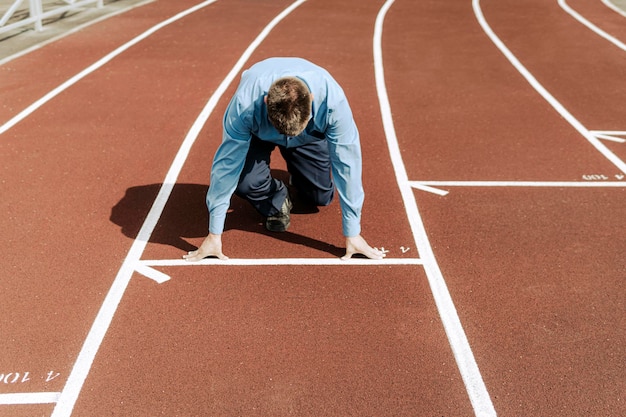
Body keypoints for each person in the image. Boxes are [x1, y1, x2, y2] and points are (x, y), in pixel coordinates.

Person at [184, 57, 385, 261]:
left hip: (308, 137)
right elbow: (227, 164)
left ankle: (300, 174)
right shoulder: (244, 105)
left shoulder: (333, 102)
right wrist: (214, 234)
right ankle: (276, 197)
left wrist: (353, 233)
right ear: (265, 102)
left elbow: (347, 164)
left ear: (312, 99)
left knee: (321, 197)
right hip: (259, 135)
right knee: (244, 183)